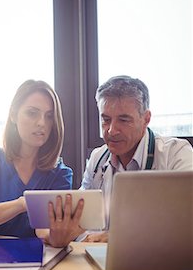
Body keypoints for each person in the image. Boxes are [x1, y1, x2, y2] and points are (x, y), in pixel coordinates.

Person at [49, 75, 193, 244]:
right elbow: (81, 218)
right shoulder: (97, 159)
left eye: (124, 120)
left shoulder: (176, 154)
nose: (111, 131)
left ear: (146, 119)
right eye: (106, 120)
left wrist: (120, 238)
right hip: (102, 261)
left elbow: (185, 223)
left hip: (158, 262)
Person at [0, 79, 83, 246]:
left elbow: (44, 230)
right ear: (13, 115)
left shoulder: (60, 173)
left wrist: (58, 236)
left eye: (49, 116)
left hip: (35, 262)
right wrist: (23, 204)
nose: (41, 123)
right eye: (32, 113)